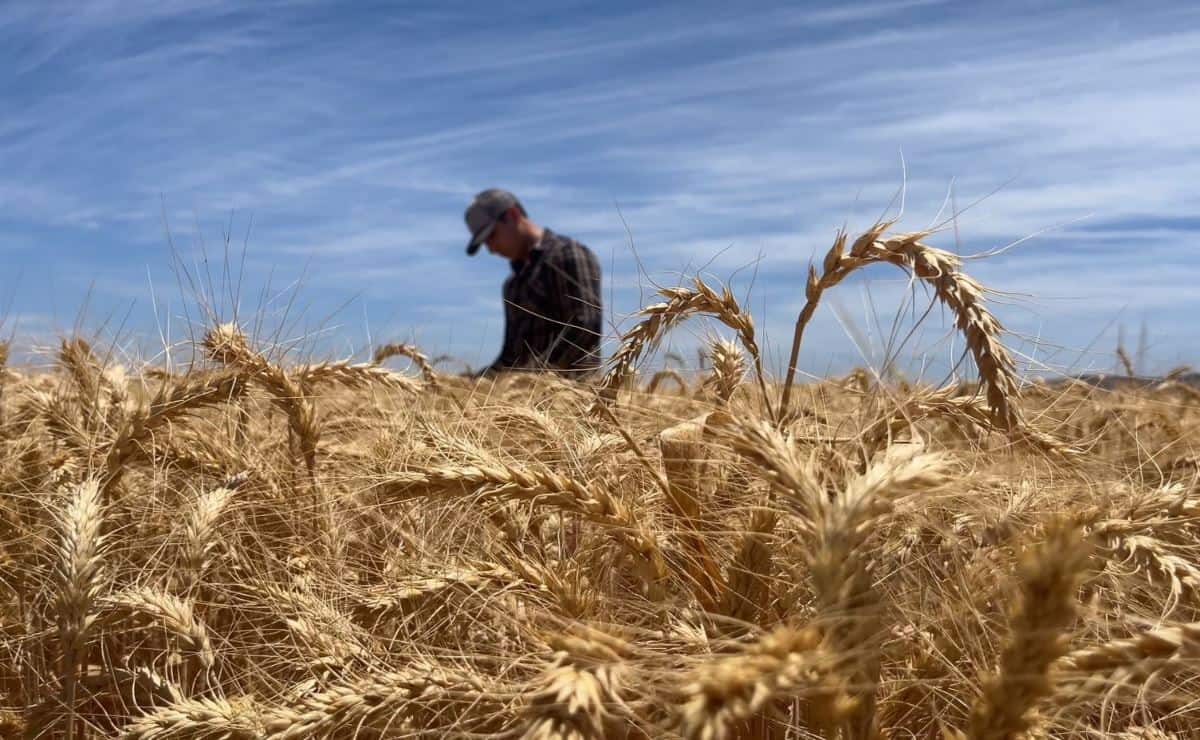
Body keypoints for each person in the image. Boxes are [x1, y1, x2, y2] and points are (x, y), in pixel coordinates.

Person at [463, 188, 603, 378]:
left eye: (492, 235)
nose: (491, 249)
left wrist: (534, 380)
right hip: (524, 401)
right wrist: (473, 383)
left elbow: (585, 328)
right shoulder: (512, 286)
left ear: (513, 215)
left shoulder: (568, 255)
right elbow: (510, 357)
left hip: (575, 400)